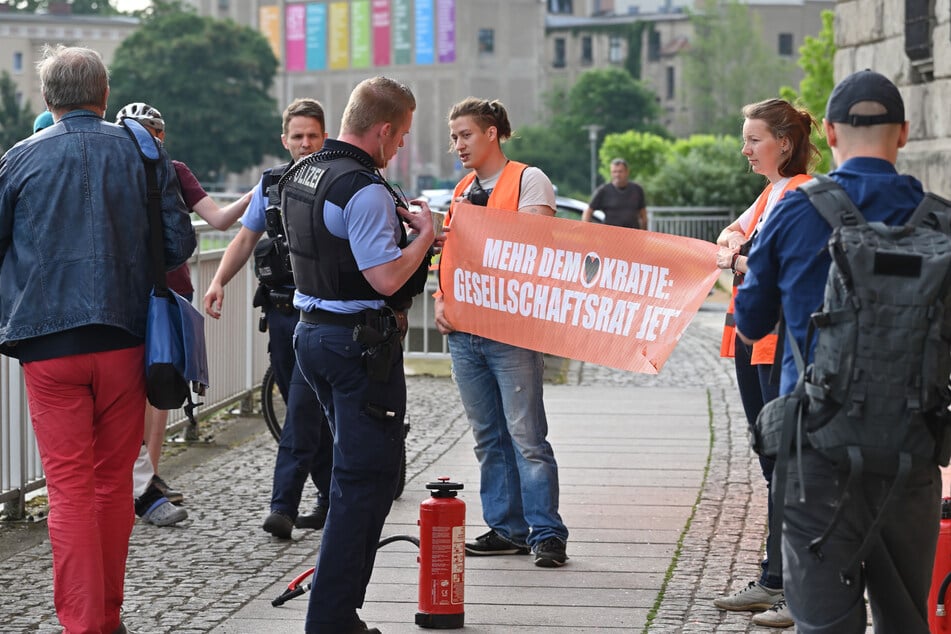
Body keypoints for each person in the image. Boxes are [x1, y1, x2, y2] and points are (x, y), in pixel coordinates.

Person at [734, 70, 940, 632]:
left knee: (824, 622)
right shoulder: (941, 221)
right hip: (911, 448)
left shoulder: (797, 210)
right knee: (905, 619)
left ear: (827, 131)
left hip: (817, 448)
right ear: (903, 132)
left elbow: (750, 325)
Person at [0, 45, 195, 634]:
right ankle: (106, 618)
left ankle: (85, 623)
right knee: (113, 483)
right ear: (104, 95)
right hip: (126, 340)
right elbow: (179, 245)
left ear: (47, 100)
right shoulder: (143, 152)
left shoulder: (18, 159)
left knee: (68, 488)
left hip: (47, 344)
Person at [281, 76, 433, 634]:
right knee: (365, 483)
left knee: (352, 472)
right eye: (401, 138)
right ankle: (333, 618)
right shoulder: (364, 188)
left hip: (312, 335)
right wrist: (425, 236)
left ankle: (334, 609)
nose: (399, 149)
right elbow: (386, 275)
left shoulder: (304, 172)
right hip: (357, 345)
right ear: (384, 129)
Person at [434, 97, 570, 568]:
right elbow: (451, 258)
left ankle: (547, 531)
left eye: (465, 134)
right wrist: (440, 302)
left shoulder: (528, 180)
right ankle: (507, 528)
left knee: (527, 436)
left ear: (492, 133)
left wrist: (480, 217)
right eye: (454, 137)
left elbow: (532, 249)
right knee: (488, 436)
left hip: (511, 331)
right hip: (465, 333)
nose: (458, 145)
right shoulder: (461, 190)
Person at [203, 98, 334, 539]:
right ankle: (333, 497)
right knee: (307, 411)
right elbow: (244, 239)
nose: (304, 143)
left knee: (300, 409)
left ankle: (283, 506)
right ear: (285, 140)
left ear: (325, 137)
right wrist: (218, 280)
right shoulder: (272, 185)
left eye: (312, 135)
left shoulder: (341, 181)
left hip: (320, 317)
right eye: (297, 136)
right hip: (280, 313)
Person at [712, 98, 818, 628]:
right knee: (771, 461)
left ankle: (788, 587)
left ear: (785, 142)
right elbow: (729, 237)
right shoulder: (770, 192)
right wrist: (735, 249)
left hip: (776, 340)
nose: (746, 148)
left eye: (754, 139)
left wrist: (735, 256)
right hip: (753, 338)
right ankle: (775, 577)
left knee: (783, 464)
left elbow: (752, 258)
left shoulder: (796, 194)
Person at [116, 101, 254, 507]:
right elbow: (221, 220)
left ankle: (143, 481)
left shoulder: (115, 172)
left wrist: (257, 191)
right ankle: (145, 484)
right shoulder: (173, 170)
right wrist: (256, 191)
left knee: (140, 391)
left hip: (133, 294)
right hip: (169, 292)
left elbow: (220, 221)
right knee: (160, 388)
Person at [582, 157, 647, 229]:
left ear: (627, 172)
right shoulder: (603, 190)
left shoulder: (637, 189)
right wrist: (587, 230)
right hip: (611, 235)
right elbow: (588, 212)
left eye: (620, 171)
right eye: (614, 172)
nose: (617, 175)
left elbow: (643, 216)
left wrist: (644, 233)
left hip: (632, 235)